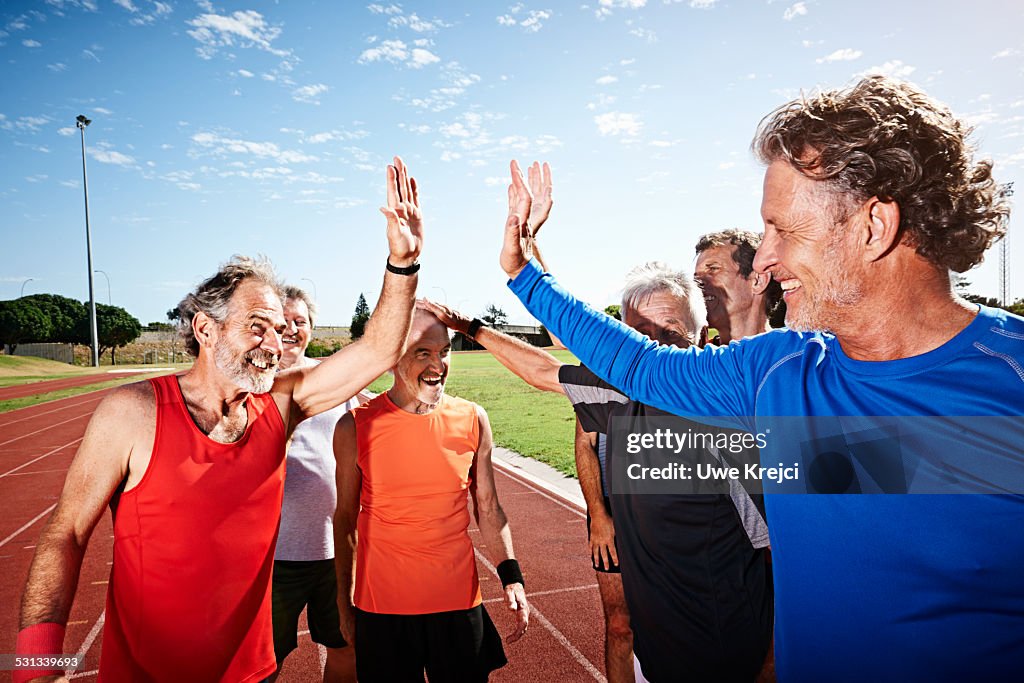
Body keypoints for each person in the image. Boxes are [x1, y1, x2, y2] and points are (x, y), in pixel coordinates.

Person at [500, 75, 1022, 681]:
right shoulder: (774, 370)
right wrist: (524, 273)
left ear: (874, 225)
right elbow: (639, 364)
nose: (766, 260)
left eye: (784, 230)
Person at [16, 157, 424, 683]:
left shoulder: (281, 405)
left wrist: (403, 263)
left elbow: (379, 349)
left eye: (280, 330)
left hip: (251, 674)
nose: (276, 345)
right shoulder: (132, 413)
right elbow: (65, 535)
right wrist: (34, 669)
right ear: (206, 330)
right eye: (258, 327)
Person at [423, 259, 773, 683]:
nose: (651, 351)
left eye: (669, 334)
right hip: (659, 651)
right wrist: (470, 326)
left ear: (701, 336)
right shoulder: (611, 391)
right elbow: (540, 369)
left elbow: (779, 556)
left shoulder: (726, 422)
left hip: (726, 656)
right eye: (637, 337)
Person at [333, 307, 529, 683]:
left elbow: (488, 508)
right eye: (423, 352)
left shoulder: (473, 418)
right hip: (382, 608)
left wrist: (511, 575)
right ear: (393, 356)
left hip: (458, 603)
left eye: (445, 350)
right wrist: (344, 603)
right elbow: (345, 519)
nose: (438, 364)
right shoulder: (354, 426)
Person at [267, 285, 369, 683]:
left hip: (335, 556)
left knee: (347, 646)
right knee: (262, 662)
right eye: (282, 322)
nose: (291, 329)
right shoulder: (250, 388)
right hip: (273, 561)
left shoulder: (336, 385)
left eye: (300, 322)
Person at [693, 229, 784, 343]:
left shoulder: (800, 355)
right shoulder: (692, 356)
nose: (697, 282)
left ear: (758, 281)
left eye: (713, 269)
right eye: (696, 277)